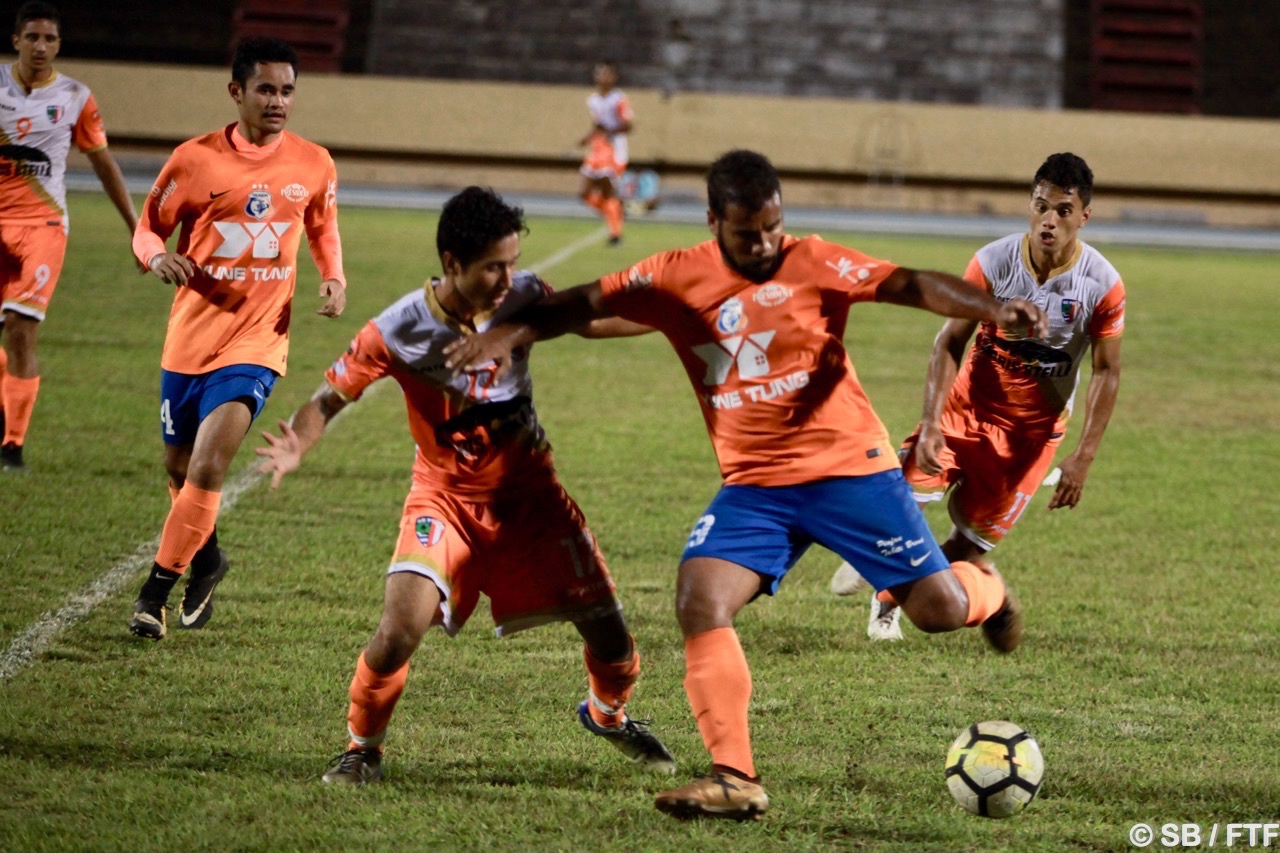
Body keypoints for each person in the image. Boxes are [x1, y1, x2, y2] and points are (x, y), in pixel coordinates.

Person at [444, 149, 1049, 820]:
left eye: (773, 226)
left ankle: (987, 589)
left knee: (935, 610)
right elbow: (587, 302)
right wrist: (506, 332)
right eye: (746, 232)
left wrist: (995, 309)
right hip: (757, 486)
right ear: (713, 222)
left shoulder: (811, 259)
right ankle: (735, 777)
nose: (764, 243)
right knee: (700, 596)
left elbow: (911, 284)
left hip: (849, 469)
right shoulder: (677, 274)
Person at [254, 186, 674, 785]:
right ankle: (360, 749)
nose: (509, 277)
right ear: (453, 263)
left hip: (534, 501)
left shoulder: (523, 295)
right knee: (398, 631)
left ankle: (607, 715)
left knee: (612, 639)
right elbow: (330, 398)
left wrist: (670, 319)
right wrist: (299, 440)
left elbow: (588, 319)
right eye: (493, 266)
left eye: (512, 261)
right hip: (444, 500)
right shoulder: (400, 328)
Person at [830, 152, 1125, 642]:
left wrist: (1083, 457)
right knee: (903, 494)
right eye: (1040, 206)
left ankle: (888, 593)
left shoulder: (1102, 285)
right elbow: (950, 339)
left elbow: (1107, 371)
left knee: (968, 547)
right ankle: (880, 563)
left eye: (1063, 211)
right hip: (965, 409)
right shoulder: (993, 261)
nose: (1048, 220)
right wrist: (929, 421)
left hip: (1031, 436)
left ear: (1084, 216)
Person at [127, 36, 347, 640]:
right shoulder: (194, 161)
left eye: (288, 90)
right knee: (178, 467)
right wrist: (154, 259)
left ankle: (152, 595)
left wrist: (333, 276)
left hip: (258, 343)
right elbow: (149, 228)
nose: (279, 101)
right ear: (237, 91)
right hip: (190, 337)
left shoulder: (314, 162)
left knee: (207, 462)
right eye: (267, 89)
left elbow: (323, 226)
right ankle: (208, 558)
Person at [0, 1, 138, 471]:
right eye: (33, 37)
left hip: (42, 227)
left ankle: (12, 444)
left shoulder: (76, 97)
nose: (42, 47)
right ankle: (8, 402)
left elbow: (104, 165)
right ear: (16, 40)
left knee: (21, 331)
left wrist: (136, 228)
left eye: (51, 39)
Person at [577, 60, 631, 246]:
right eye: (600, 73)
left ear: (614, 77)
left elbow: (628, 126)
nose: (602, 77)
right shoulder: (593, 100)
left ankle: (615, 233)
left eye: (607, 74)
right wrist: (587, 137)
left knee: (607, 192)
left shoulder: (618, 99)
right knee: (583, 192)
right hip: (598, 147)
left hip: (614, 150)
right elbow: (597, 124)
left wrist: (608, 132)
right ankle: (615, 213)